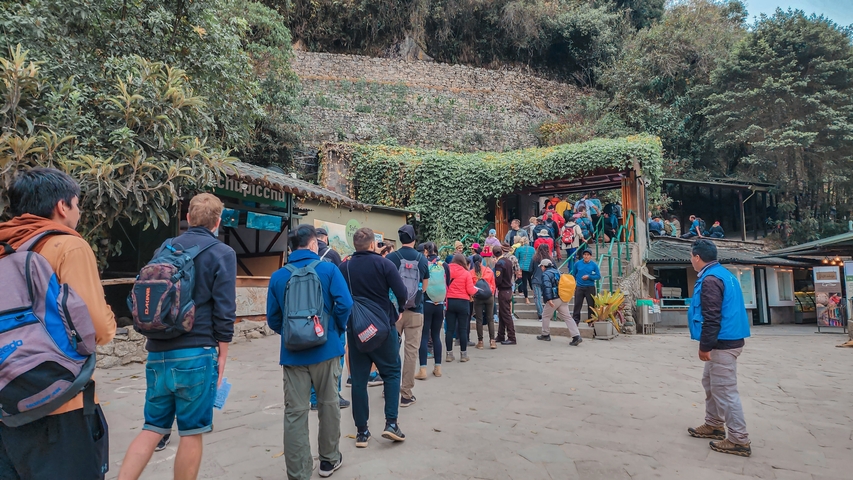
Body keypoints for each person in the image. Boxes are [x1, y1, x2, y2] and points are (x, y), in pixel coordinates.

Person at [0, 168, 116, 480]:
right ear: (62, 207)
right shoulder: (68, 246)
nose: (78, 212)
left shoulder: (3, 249)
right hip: (58, 404)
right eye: (77, 205)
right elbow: (98, 330)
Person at [119, 193, 236, 480]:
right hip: (196, 352)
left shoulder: (165, 248)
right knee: (191, 432)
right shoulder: (222, 253)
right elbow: (225, 308)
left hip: (157, 351)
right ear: (218, 221)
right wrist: (223, 352)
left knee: (152, 428)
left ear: (188, 218)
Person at [264, 225, 352, 479]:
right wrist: (332, 328)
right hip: (327, 349)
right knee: (329, 405)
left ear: (291, 248)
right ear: (314, 244)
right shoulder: (329, 269)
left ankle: (299, 472)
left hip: (293, 356)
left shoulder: (279, 276)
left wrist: (294, 333)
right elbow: (345, 303)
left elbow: (272, 318)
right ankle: (328, 461)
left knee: (295, 413)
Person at [340, 228, 409, 450]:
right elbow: (402, 293)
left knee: (358, 380)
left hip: (357, 330)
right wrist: (398, 309)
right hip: (383, 328)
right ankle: (391, 423)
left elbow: (339, 297)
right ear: (372, 245)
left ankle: (362, 432)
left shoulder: (345, 267)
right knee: (391, 373)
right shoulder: (384, 264)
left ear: (355, 245)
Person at [687, 239, 752, 457]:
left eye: (691, 257)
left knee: (725, 390)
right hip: (727, 340)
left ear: (697, 257)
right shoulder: (724, 274)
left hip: (722, 343)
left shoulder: (711, 280)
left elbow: (712, 317)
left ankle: (738, 439)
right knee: (710, 383)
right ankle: (714, 423)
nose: (691, 261)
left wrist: (705, 346)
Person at [387, 225, 429, 408]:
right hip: (415, 311)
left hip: (394, 312)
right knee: (411, 353)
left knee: (390, 350)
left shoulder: (391, 258)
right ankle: (406, 394)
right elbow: (425, 285)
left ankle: (389, 387)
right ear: (413, 239)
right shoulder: (422, 259)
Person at [416, 242, 450, 380]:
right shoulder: (444, 265)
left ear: (426, 251)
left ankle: (423, 370)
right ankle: (438, 368)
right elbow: (448, 283)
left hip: (426, 303)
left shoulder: (423, 264)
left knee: (424, 336)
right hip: (439, 304)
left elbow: (420, 282)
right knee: (436, 335)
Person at [536, 259, 583, 346]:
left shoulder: (546, 274)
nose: (541, 268)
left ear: (544, 266)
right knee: (568, 317)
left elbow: (547, 286)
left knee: (545, 316)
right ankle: (576, 336)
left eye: (541, 266)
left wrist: (549, 299)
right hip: (563, 297)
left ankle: (545, 334)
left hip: (554, 298)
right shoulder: (558, 271)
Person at [444, 254, 478, 362]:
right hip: (463, 302)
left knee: (449, 329)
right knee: (463, 329)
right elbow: (470, 290)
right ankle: (463, 355)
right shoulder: (466, 273)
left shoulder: (446, 271)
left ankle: (449, 354)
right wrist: (476, 290)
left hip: (449, 302)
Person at [469, 254, 497, 349]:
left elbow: (470, 286)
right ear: (482, 261)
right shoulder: (489, 270)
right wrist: (491, 293)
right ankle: (492, 341)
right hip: (489, 297)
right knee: (490, 318)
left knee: (479, 319)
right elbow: (493, 285)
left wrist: (473, 295)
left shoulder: (471, 273)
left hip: (478, 297)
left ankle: (480, 342)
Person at [494, 244, 517, 345]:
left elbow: (498, 279)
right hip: (508, 289)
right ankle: (501, 334)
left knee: (506, 314)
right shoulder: (508, 261)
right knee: (502, 313)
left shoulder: (499, 263)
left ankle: (512, 337)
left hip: (503, 290)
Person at [571, 250, 601, 323]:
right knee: (577, 304)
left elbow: (598, 276)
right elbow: (573, 275)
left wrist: (589, 276)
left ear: (590, 256)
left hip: (590, 287)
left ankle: (590, 321)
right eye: (585, 255)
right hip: (579, 287)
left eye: (588, 255)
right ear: (583, 256)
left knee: (591, 305)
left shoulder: (594, 265)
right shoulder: (577, 264)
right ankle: (575, 320)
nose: (586, 256)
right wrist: (573, 284)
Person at [515, 237, 535, 305]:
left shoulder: (519, 249)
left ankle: (526, 299)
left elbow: (516, 259)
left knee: (524, 283)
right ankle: (534, 294)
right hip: (531, 267)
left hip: (522, 268)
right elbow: (534, 258)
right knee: (531, 281)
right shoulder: (532, 249)